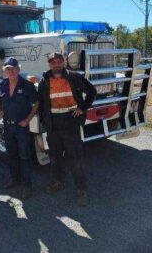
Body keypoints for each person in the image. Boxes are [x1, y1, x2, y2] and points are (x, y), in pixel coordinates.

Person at [38, 52, 97, 206]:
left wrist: (82, 108)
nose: (56, 64)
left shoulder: (73, 77)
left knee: (75, 158)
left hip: (70, 122)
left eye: (58, 61)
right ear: (49, 64)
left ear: (63, 62)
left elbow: (92, 92)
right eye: (52, 62)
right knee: (55, 157)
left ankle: (81, 189)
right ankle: (57, 182)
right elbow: (41, 103)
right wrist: (45, 123)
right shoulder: (44, 81)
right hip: (53, 125)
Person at [0, 57, 39, 199]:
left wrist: (27, 120)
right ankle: (15, 180)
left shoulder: (27, 85)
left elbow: (36, 103)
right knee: (11, 155)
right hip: (7, 126)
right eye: (8, 69)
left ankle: (27, 186)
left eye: (14, 68)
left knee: (24, 156)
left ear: (18, 69)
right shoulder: (2, 84)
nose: (12, 71)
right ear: (5, 71)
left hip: (21, 127)